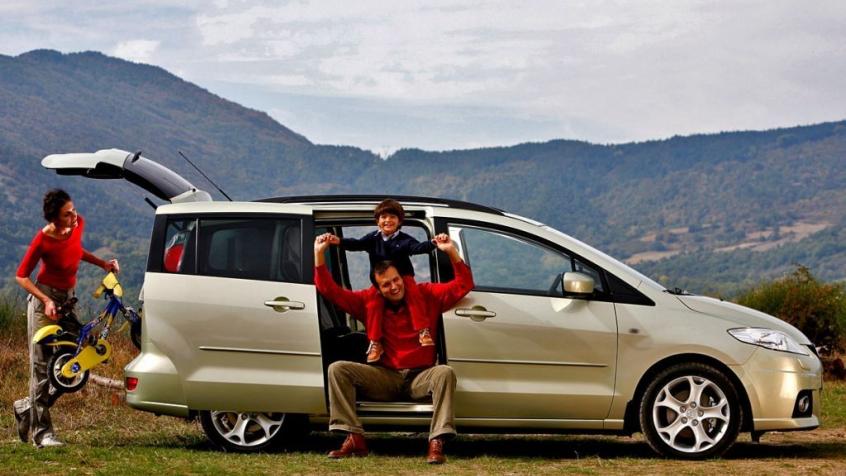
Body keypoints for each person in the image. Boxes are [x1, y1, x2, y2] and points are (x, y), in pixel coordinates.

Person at [314, 231, 473, 464]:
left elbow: (464, 284)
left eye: (396, 280)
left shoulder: (426, 294)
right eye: (386, 285)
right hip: (385, 376)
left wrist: (451, 251)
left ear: (402, 276)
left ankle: (437, 441)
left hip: (420, 376)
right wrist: (319, 255)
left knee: (445, 373)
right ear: (378, 289)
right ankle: (354, 437)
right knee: (337, 369)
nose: (394, 287)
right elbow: (330, 291)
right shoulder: (368, 302)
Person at [12, 189, 119, 448]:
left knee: (74, 364)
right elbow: (21, 276)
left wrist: (103, 264)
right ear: (54, 218)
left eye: (73, 210)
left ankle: (26, 408)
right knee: (41, 369)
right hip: (44, 304)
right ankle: (42, 435)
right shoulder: (42, 240)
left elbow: (76, 251)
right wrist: (46, 300)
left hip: (67, 301)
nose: (74, 216)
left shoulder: (77, 224)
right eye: (67, 214)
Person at [323, 199, 438, 363]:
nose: (388, 220)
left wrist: (434, 243)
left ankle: (423, 330)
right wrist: (339, 241)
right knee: (373, 305)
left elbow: (418, 248)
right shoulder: (373, 238)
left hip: (403, 279)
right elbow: (357, 244)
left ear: (399, 221)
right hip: (380, 283)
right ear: (377, 221)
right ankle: (375, 342)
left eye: (392, 217)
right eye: (383, 217)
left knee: (414, 296)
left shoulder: (405, 240)